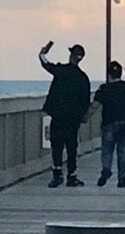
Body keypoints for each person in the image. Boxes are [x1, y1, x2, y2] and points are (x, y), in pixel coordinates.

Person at [38, 38, 91, 188]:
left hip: (58, 116)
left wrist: (43, 52)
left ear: (71, 56)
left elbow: (45, 63)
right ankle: (72, 176)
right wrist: (82, 116)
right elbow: (86, 101)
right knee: (72, 146)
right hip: (73, 119)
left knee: (57, 145)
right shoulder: (83, 78)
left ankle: (57, 174)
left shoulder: (61, 71)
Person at [94, 58, 125, 188]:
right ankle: (122, 178)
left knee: (107, 150)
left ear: (109, 75)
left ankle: (106, 169)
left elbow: (94, 105)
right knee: (123, 152)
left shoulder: (104, 88)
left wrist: (85, 117)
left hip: (108, 123)